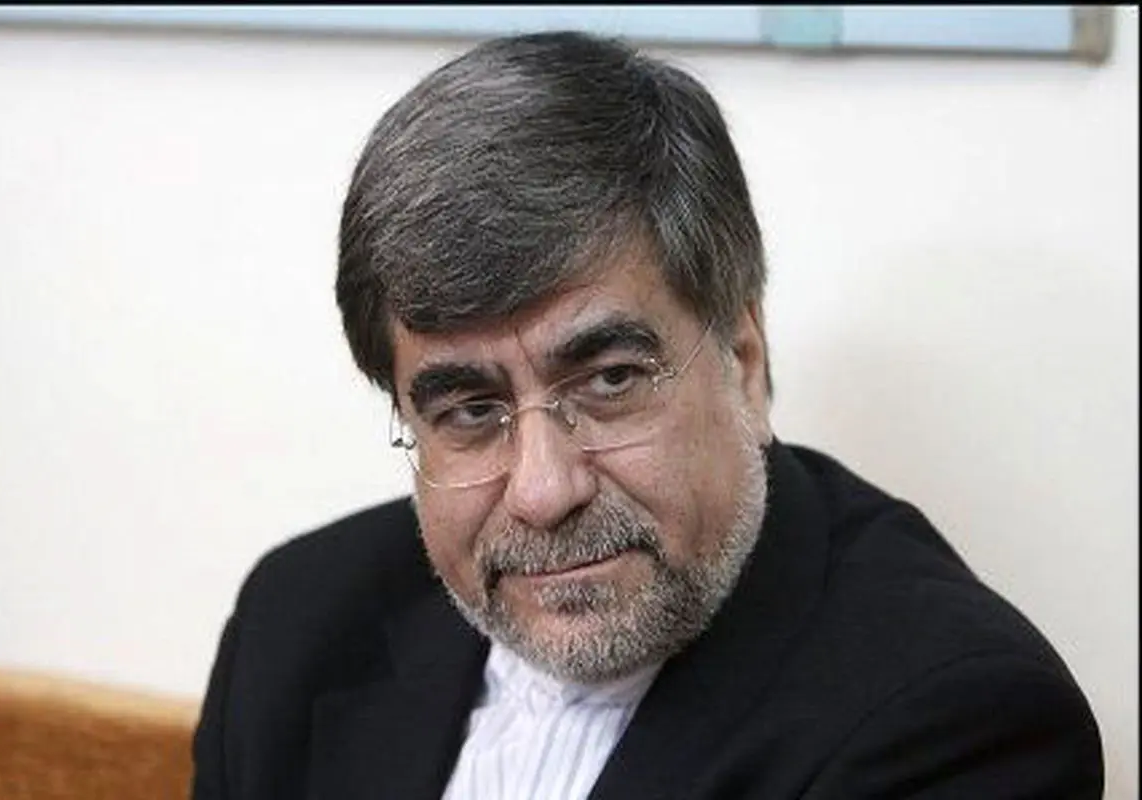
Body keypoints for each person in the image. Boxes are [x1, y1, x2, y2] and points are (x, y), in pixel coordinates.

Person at [191, 31, 1103, 799]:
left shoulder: (955, 723)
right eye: (470, 410)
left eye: (611, 380)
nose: (543, 492)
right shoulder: (297, 624)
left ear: (744, 362)